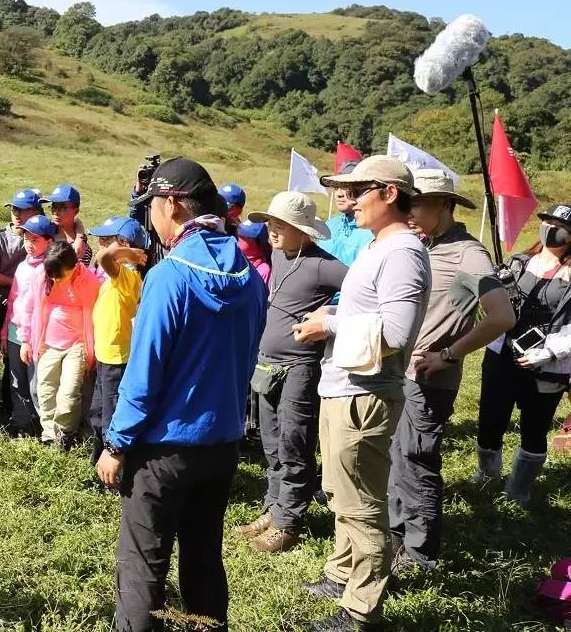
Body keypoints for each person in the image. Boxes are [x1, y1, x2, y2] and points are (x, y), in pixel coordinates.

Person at [96, 157, 264, 632]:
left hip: (164, 449)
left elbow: (144, 373)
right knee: (203, 556)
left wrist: (116, 444)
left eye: (151, 206)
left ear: (172, 204)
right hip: (223, 443)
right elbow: (247, 357)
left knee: (142, 564)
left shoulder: (170, 276)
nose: (149, 216)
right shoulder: (249, 278)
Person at [292, 155, 430, 632]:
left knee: (362, 503)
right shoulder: (380, 246)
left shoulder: (403, 253)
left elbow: (395, 330)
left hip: (364, 394)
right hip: (346, 387)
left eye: (358, 191)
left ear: (389, 194)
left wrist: (327, 323)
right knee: (341, 490)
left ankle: (360, 611)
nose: (346, 202)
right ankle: (344, 572)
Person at [388, 170, 513, 572]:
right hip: (399, 373)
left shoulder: (467, 254)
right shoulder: (423, 244)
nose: (406, 210)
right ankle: (395, 538)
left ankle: (420, 555)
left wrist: (450, 354)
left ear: (444, 204)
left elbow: (501, 316)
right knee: (397, 459)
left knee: (416, 461)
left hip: (429, 379)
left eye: (415, 202)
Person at [235, 192, 347, 554]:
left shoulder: (322, 265)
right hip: (266, 365)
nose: (272, 230)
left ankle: (288, 524)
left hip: (299, 368)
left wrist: (331, 318)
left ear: (303, 230)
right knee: (270, 442)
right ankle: (273, 507)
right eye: (270, 223)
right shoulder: (279, 255)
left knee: (293, 442)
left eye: (280, 224)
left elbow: (367, 291)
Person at [474, 203, 571, 507]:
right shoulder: (519, 263)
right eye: (547, 221)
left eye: (559, 224)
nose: (550, 228)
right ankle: (486, 475)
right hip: (502, 356)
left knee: (535, 426)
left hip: (546, 366)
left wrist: (550, 352)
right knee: (490, 419)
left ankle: (518, 489)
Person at [85, 216, 148, 468]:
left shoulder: (128, 277)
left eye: (106, 238)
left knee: (111, 417)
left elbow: (104, 258)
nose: (99, 242)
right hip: (105, 356)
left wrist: (130, 254)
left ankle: (115, 471)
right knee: (98, 414)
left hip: (117, 359)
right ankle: (97, 462)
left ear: (124, 244)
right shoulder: (115, 277)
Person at [0, 189, 44, 422]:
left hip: (25, 312)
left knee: (14, 361)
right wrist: (16, 282)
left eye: (23, 210)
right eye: (14, 209)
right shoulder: (0, 237)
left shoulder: (43, 237)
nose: (17, 214)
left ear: (36, 211)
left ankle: (12, 408)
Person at [30, 240, 100, 449]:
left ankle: (65, 434)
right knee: (45, 391)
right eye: (51, 273)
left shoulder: (89, 282)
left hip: (77, 344)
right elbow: (32, 310)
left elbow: (94, 318)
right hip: (48, 343)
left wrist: (91, 351)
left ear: (73, 266)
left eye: (59, 274)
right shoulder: (42, 277)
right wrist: (30, 341)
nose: (54, 278)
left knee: (68, 394)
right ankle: (50, 436)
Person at [4, 214, 59, 437]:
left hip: (37, 338)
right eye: (27, 238)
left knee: (39, 385)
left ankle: (47, 430)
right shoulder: (22, 267)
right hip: (15, 333)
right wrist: (4, 331)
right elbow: (14, 300)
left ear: (50, 242)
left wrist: (28, 340)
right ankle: (22, 424)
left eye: (35, 240)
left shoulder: (50, 271)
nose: (29, 244)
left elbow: (41, 310)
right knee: (17, 382)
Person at [318, 160, 375, 267]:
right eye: (336, 187)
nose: (339, 194)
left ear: (361, 190)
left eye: (345, 187)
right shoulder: (330, 224)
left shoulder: (373, 232)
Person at [43, 184, 91, 266]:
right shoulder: (45, 232)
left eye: (62, 208)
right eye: (54, 207)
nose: (56, 212)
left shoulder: (82, 248)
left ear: (76, 211)